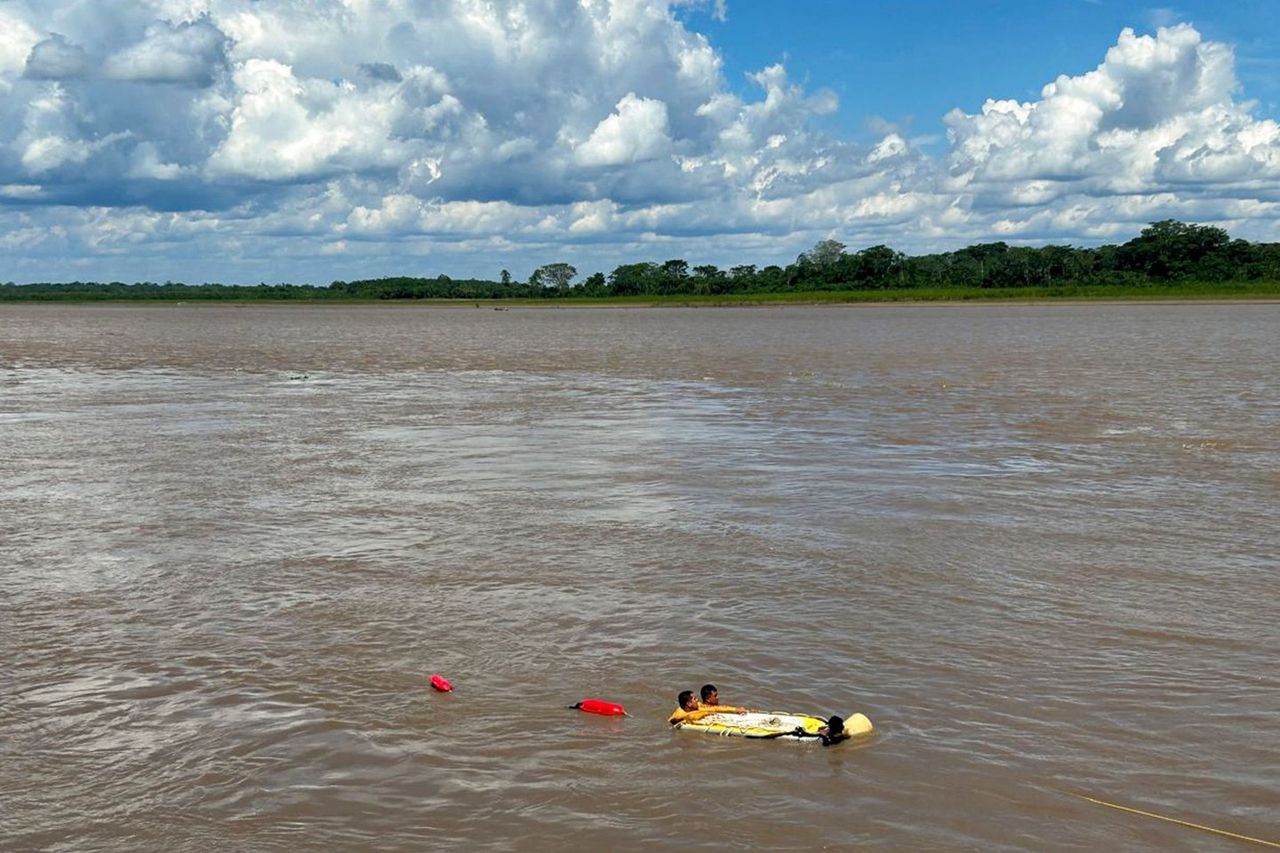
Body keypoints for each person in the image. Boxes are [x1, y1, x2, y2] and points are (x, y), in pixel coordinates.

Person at [668, 690, 746, 725]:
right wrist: (707, 713)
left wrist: (735, 709)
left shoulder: (698, 706)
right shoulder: (680, 713)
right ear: (689, 703)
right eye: (695, 699)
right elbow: (673, 720)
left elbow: (715, 708)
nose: (697, 700)